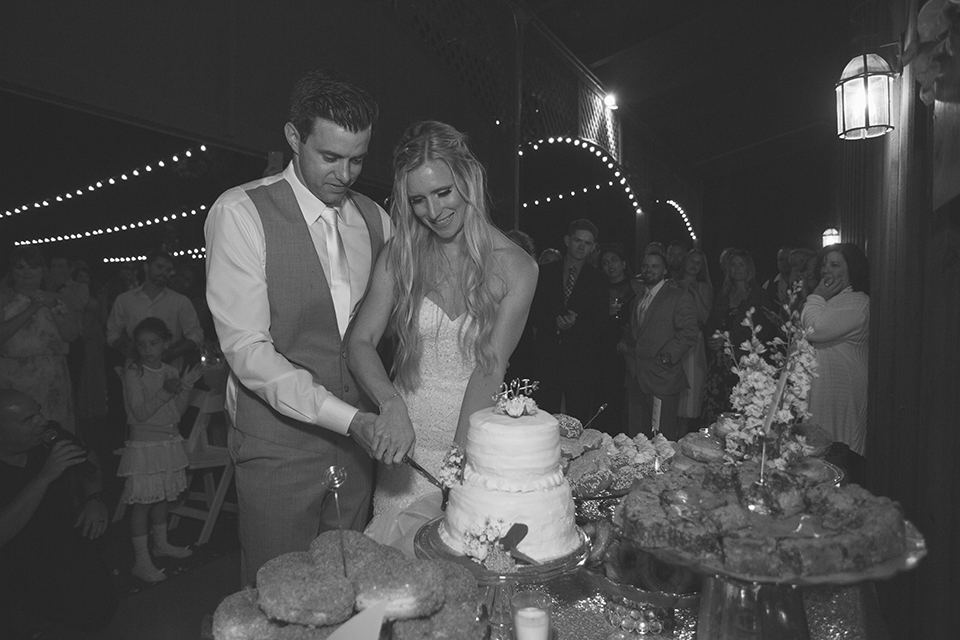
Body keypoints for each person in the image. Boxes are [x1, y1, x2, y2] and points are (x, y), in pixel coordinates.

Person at [205, 68, 395, 587]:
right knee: (278, 597)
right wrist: (349, 418)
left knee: (346, 587)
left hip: (360, 450)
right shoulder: (241, 211)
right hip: (277, 445)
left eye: (357, 159)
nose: (345, 174)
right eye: (329, 157)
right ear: (294, 138)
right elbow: (249, 351)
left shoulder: (379, 220)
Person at [348, 121, 538, 554]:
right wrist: (390, 404)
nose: (432, 212)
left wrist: (459, 466)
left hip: (471, 440)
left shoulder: (518, 268)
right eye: (417, 200)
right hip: (405, 443)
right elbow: (360, 343)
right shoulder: (400, 256)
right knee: (393, 572)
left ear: (467, 179)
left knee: (457, 569)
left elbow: (489, 370)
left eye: (443, 193)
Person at [0, 389, 117, 637]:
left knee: (99, 613)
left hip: (61, 541)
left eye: (39, 412)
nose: (42, 421)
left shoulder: (48, 436)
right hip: (15, 557)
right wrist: (45, 476)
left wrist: (94, 498)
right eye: (28, 419)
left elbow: (88, 457)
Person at [117, 318, 202, 583]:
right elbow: (140, 413)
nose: (147, 349)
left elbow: (176, 413)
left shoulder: (168, 371)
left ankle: (161, 544)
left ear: (165, 343)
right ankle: (141, 560)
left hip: (168, 441)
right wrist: (166, 392)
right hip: (144, 445)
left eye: (153, 343)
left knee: (162, 498)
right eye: (142, 345)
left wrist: (184, 387)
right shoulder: (134, 373)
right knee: (143, 503)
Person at [801, 243, 870, 483]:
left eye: (835, 264)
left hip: (844, 391)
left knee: (842, 448)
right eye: (824, 264)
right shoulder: (835, 299)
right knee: (819, 446)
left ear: (852, 269)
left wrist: (817, 295)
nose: (825, 270)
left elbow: (814, 329)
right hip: (825, 390)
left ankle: (844, 496)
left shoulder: (858, 302)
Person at [530, 219, 606, 421]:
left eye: (587, 243)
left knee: (578, 417)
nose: (581, 246)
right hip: (548, 355)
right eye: (578, 240)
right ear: (567, 240)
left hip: (580, 360)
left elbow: (601, 321)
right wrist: (554, 322)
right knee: (543, 416)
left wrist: (577, 323)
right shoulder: (545, 273)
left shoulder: (598, 280)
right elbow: (533, 312)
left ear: (592, 248)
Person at [1, 247, 81, 434]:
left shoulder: (57, 298)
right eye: (20, 267)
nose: (27, 272)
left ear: (42, 271)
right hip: (14, 379)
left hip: (52, 379)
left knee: (54, 430)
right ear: (12, 271)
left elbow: (72, 335)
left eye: (33, 267)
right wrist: (29, 310)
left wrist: (54, 310)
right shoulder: (3, 298)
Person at [619, 252, 698, 440]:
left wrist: (667, 356)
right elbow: (638, 335)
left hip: (663, 378)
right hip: (636, 378)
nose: (649, 270)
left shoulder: (678, 296)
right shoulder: (638, 299)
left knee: (661, 439)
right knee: (637, 438)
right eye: (645, 266)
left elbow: (689, 332)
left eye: (655, 266)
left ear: (664, 270)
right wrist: (625, 346)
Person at [702, 250, 777, 426]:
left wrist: (730, 340)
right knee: (717, 412)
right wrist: (712, 339)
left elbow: (764, 329)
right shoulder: (724, 294)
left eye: (741, 264)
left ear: (748, 268)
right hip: (720, 362)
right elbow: (712, 321)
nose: (736, 269)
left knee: (740, 410)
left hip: (744, 362)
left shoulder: (759, 295)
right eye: (733, 265)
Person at [106, 249, 204, 367]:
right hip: (135, 368)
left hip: (170, 370)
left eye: (168, 270)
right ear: (146, 267)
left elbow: (196, 334)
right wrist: (123, 346)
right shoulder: (125, 299)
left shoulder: (180, 301)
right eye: (159, 267)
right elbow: (112, 332)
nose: (164, 273)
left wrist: (174, 352)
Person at [595, 247, 643, 434]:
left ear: (623, 263)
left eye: (614, 260)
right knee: (604, 394)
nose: (610, 265)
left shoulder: (636, 287)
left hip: (627, 347)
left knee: (624, 398)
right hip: (603, 346)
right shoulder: (599, 286)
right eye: (605, 262)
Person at [670, 249, 713, 433]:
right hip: (672, 339)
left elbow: (705, 317)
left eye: (699, 263)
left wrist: (693, 291)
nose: (694, 265)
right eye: (691, 261)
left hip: (694, 343)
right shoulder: (671, 284)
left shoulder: (704, 287)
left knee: (689, 396)